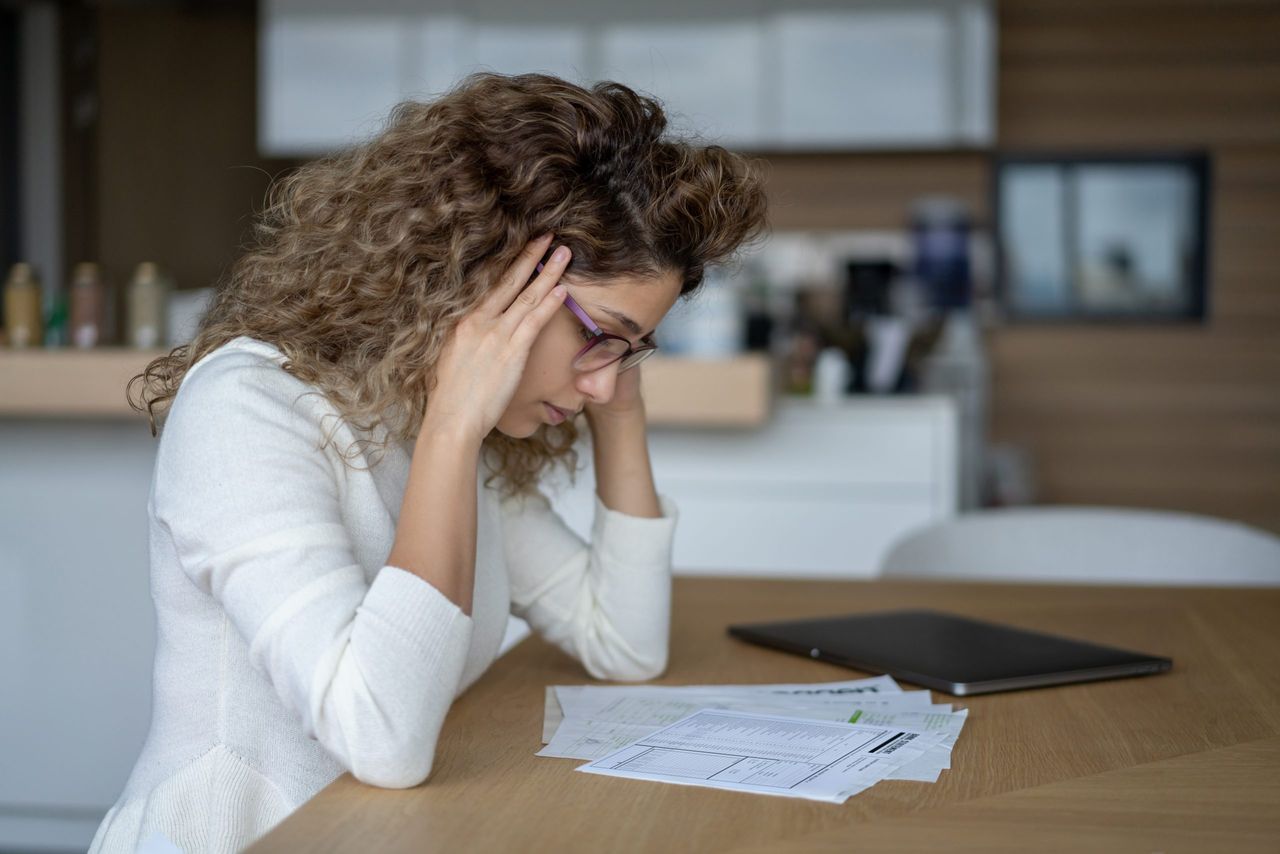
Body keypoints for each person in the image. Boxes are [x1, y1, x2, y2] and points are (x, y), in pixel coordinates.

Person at [88, 72, 768, 853]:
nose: (605, 377)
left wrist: (617, 404)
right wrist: (453, 422)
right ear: (483, 279)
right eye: (596, 335)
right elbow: (379, 736)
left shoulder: (434, 423)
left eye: (633, 348)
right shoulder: (245, 413)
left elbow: (624, 643)